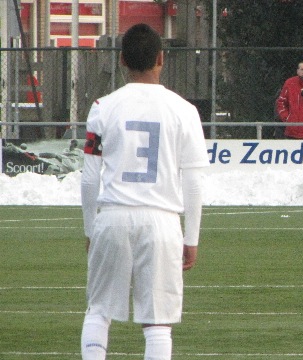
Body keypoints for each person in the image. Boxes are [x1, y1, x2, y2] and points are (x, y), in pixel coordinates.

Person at [80, 23, 210, 359]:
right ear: (161, 59)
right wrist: (191, 238)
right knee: (158, 323)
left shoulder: (102, 106)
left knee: (98, 311)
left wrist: (90, 229)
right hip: (162, 221)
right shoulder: (185, 110)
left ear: (122, 60)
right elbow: (193, 180)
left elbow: (90, 177)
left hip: (113, 216)